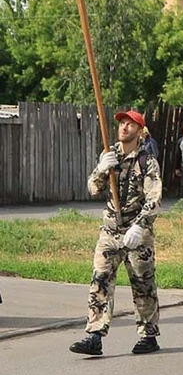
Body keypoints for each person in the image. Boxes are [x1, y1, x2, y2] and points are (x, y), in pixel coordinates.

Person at [69, 110, 162, 357]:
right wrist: (101, 169)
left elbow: (154, 199)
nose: (124, 127)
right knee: (100, 279)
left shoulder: (147, 161)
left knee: (143, 284)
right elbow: (92, 188)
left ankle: (148, 335)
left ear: (140, 131)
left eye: (130, 124)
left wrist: (141, 226)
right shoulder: (109, 154)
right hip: (110, 231)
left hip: (136, 233)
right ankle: (94, 336)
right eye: (122, 123)